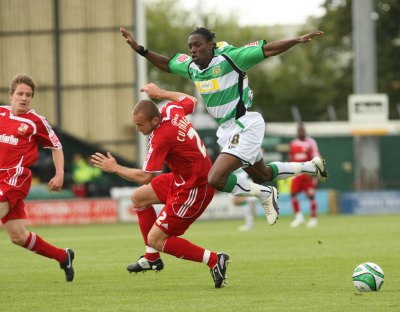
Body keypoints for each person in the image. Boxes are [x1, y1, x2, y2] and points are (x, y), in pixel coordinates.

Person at [120, 26, 328, 227]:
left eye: (198, 45)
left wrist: (296, 40)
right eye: (190, 46)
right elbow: (166, 64)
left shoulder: (231, 58)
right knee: (261, 175)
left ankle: (265, 194)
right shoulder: (193, 68)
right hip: (226, 130)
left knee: (216, 178)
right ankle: (311, 167)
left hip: (244, 124)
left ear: (210, 44)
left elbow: (268, 50)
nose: (193, 50)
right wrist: (140, 49)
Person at [91, 83, 230, 288]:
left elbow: (144, 176)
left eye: (141, 125)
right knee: (138, 198)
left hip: (194, 188)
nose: (138, 129)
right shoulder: (170, 109)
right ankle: (152, 258)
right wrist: (161, 93)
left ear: (155, 120)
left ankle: (214, 259)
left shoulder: (160, 138)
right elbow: (191, 101)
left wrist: (115, 168)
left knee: (157, 238)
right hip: (180, 178)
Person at [0, 74, 75, 282]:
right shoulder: (0, 114)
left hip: (16, 177)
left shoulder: (36, 121)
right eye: (20, 94)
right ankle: (63, 256)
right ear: (11, 94)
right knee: (18, 236)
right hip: (0, 178)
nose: (24, 98)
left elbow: (56, 146)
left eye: (28, 95)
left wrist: (59, 174)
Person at [289, 123, 321, 228]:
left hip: (308, 173)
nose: (300, 132)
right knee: (293, 194)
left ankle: (313, 218)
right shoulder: (293, 143)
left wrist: (314, 172)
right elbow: (291, 157)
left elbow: (316, 157)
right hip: (296, 173)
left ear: (305, 131)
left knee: (311, 195)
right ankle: (299, 217)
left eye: (302, 130)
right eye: (299, 130)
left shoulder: (311, 142)